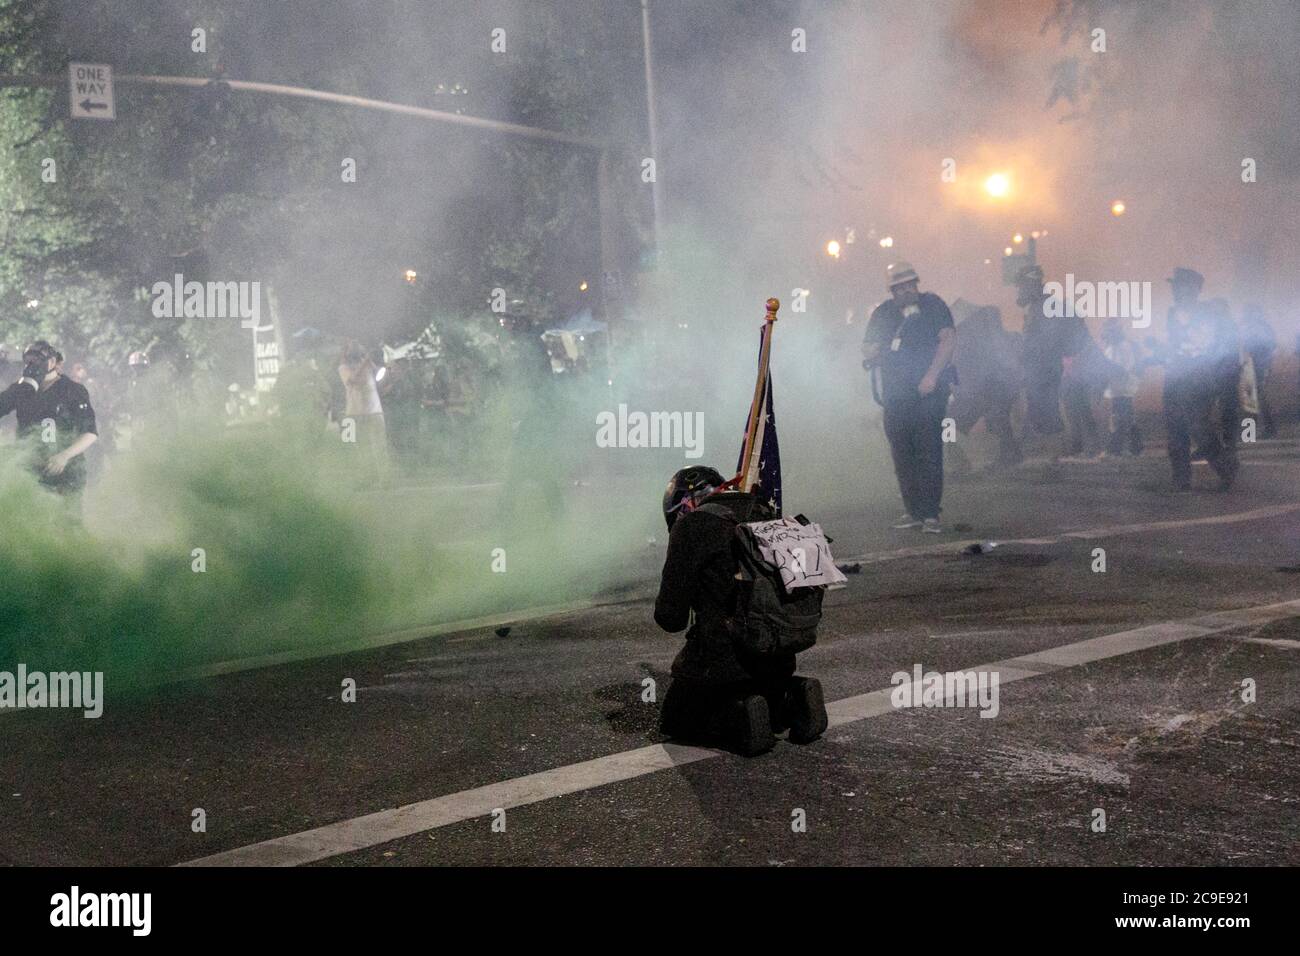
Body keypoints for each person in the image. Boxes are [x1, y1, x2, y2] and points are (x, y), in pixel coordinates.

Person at [655, 466, 828, 757]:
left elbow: (670, 618)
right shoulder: (764, 510)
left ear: (685, 503)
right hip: (777, 651)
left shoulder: (693, 525)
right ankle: (792, 696)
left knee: (676, 716)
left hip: (724, 658)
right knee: (766, 689)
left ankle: (739, 715)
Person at [862, 260, 956, 533]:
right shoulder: (883, 313)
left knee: (928, 450)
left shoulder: (933, 306)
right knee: (902, 452)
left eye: (909, 285)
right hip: (895, 395)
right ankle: (913, 510)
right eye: (899, 287)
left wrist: (931, 375)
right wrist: (873, 352)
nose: (906, 291)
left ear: (917, 284)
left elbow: (948, 340)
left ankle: (930, 514)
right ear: (892, 291)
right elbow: (868, 345)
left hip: (928, 393)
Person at [1161, 268, 1238, 491]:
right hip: (1175, 375)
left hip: (1197, 375)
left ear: (1193, 289)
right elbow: (1174, 343)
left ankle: (1225, 466)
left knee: (1198, 426)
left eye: (1179, 285)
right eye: (1174, 286)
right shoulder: (1172, 313)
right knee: (1174, 426)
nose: (1175, 290)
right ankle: (1181, 478)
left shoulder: (1209, 313)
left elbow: (1214, 343)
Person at [0, 340, 99, 504]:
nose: (32, 365)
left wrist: (65, 455)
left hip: (65, 470)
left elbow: (90, 433)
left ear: (52, 362)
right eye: (28, 361)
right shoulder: (22, 388)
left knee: (65, 521)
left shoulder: (72, 390)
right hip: (30, 467)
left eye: (37, 360)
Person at [338, 340, 389, 480]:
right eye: (352, 346)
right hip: (354, 413)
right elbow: (352, 382)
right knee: (358, 448)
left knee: (380, 446)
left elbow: (380, 379)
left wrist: (373, 364)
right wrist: (365, 362)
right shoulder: (343, 368)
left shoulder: (369, 365)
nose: (356, 348)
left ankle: (384, 478)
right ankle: (364, 478)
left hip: (375, 411)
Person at [1100, 318, 1143, 456]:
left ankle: (1116, 448)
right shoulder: (1112, 347)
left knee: (1120, 418)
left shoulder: (1124, 347)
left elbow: (1125, 369)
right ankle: (1134, 447)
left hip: (1122, 388)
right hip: (1118, 389)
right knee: (1125, 417)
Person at [1240, 304, 1278, 439]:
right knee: (1254, 397)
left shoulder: (1254, 327)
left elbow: (1252, 346)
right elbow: (1272, 345)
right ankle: (1256, 431)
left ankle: (1251, 432)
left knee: (1252, 398)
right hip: (1255, 365)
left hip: (1254, 365)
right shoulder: (1262, 327)